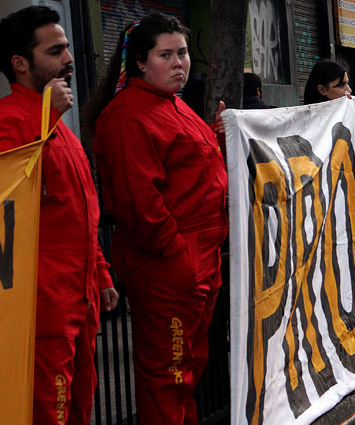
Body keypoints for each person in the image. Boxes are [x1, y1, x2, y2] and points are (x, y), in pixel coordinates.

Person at [87, 12, 228, 424]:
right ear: (141, 63)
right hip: (170, 266)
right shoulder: (129, 116)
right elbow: (140, 202)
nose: (179, 63)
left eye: (182, 52)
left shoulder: (172, 105)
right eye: (166, 55)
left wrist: (217, 136)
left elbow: (190, 170)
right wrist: (178, 257)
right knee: (168, 373)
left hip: (196, 260)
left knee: (188, 368)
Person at [0, 6, 118, 424]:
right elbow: (5, 197)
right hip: (41, 305)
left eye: (66, 48)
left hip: (78, 297)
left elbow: (80, 211)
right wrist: (45, 120)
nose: (68, 58)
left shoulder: (58, 126)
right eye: (55, 51)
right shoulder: (4, 121)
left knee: (79, 407)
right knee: (49, 411)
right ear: (20, 63)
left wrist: (101, 274)